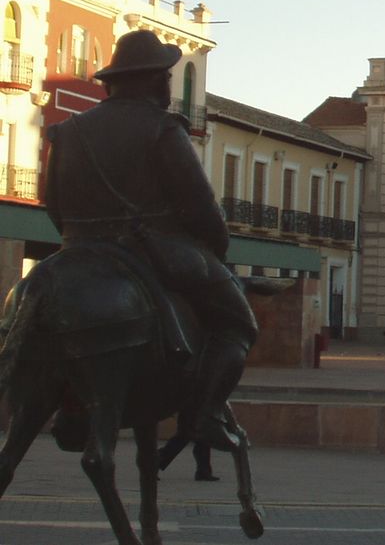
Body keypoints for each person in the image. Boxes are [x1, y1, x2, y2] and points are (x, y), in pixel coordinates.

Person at [44, 30, 259, 451]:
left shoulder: (66, 132)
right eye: (166, 76)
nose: (168, 84)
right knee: (237, 322)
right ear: (152, 79)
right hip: (149, 250)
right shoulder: (164, 129)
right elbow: (200, 206)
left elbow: (54, 207)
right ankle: (206, 416)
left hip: (78, 251)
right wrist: (216, 249)